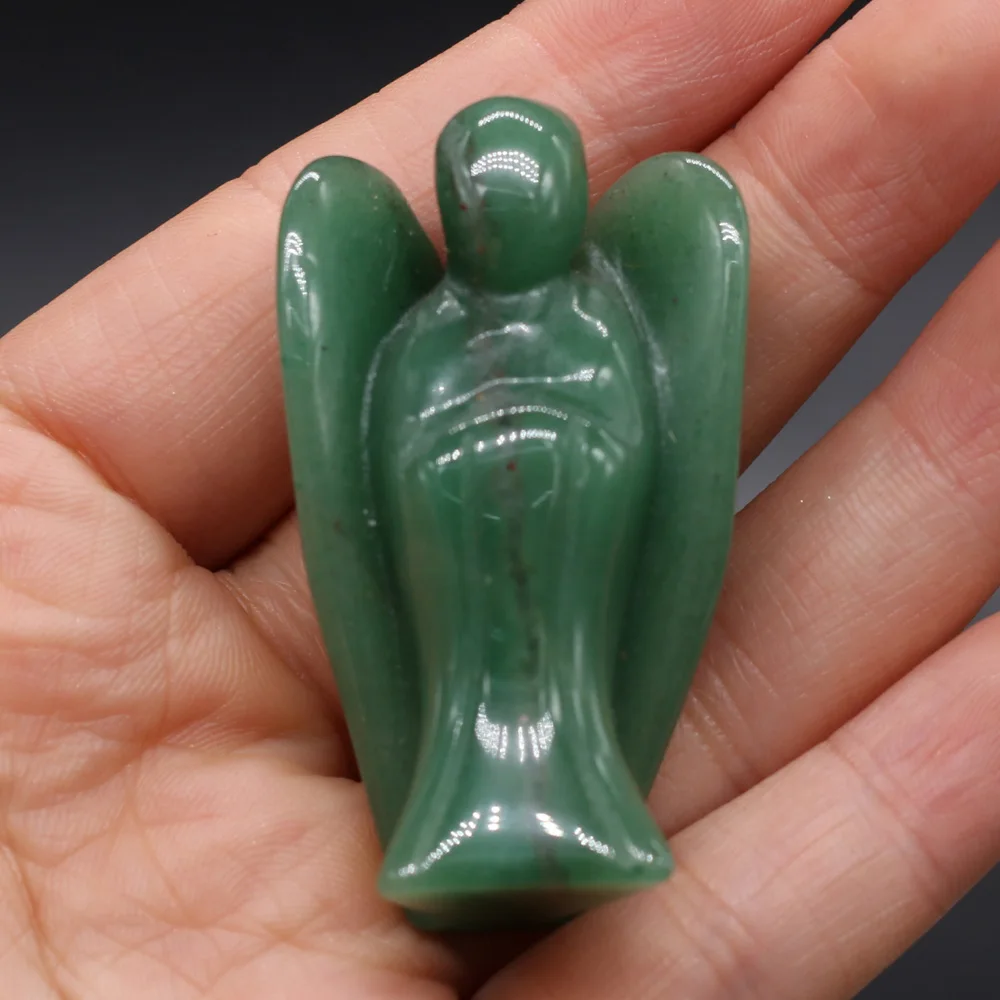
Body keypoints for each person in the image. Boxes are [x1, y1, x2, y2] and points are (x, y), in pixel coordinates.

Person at [0, 0, 998, 996]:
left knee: (568, 689)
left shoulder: (598, 323)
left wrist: (563, 452)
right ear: (458, 215)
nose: (511, 227)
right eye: (491, 211)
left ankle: (581, 815)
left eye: (530, 207)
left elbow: (631, 440)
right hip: (464, 572)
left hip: (568, 558)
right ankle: (457, 824)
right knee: (469, 698)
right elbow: (396, 454)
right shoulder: (426, 335)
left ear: (563, 205)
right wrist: (471, 460)